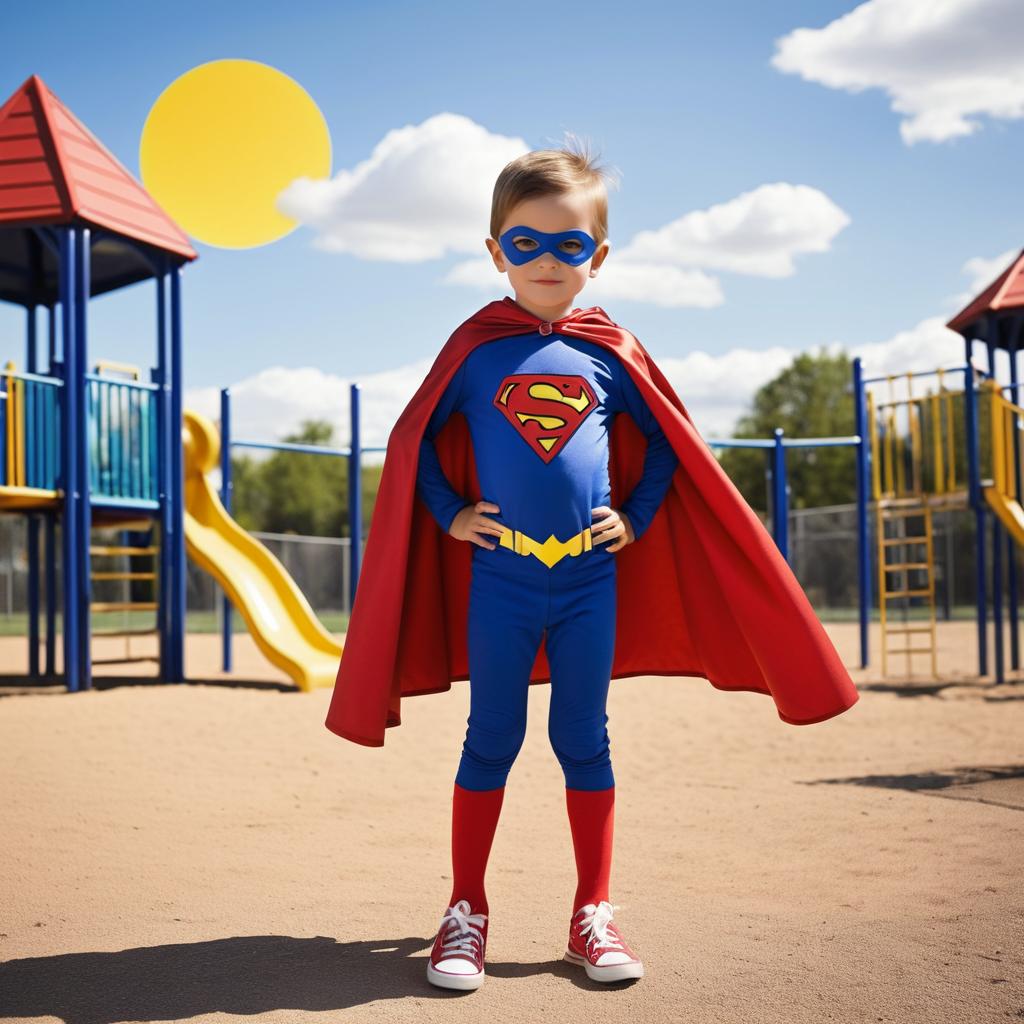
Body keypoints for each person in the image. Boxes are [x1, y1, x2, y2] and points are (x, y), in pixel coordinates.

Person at [323, 137, 859, 992]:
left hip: (586, 582)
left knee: (584, 739)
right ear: (495, 249)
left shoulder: (612, 349)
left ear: (597, 258)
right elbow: (413, 442)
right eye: (525, 242)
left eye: (568, 244)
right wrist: (449, 515)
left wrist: (635, 519)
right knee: (490, 739)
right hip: (500, 580)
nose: (545, 260)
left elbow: (667, 444)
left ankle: (592, 914)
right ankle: (466, 913)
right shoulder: (474, 347)